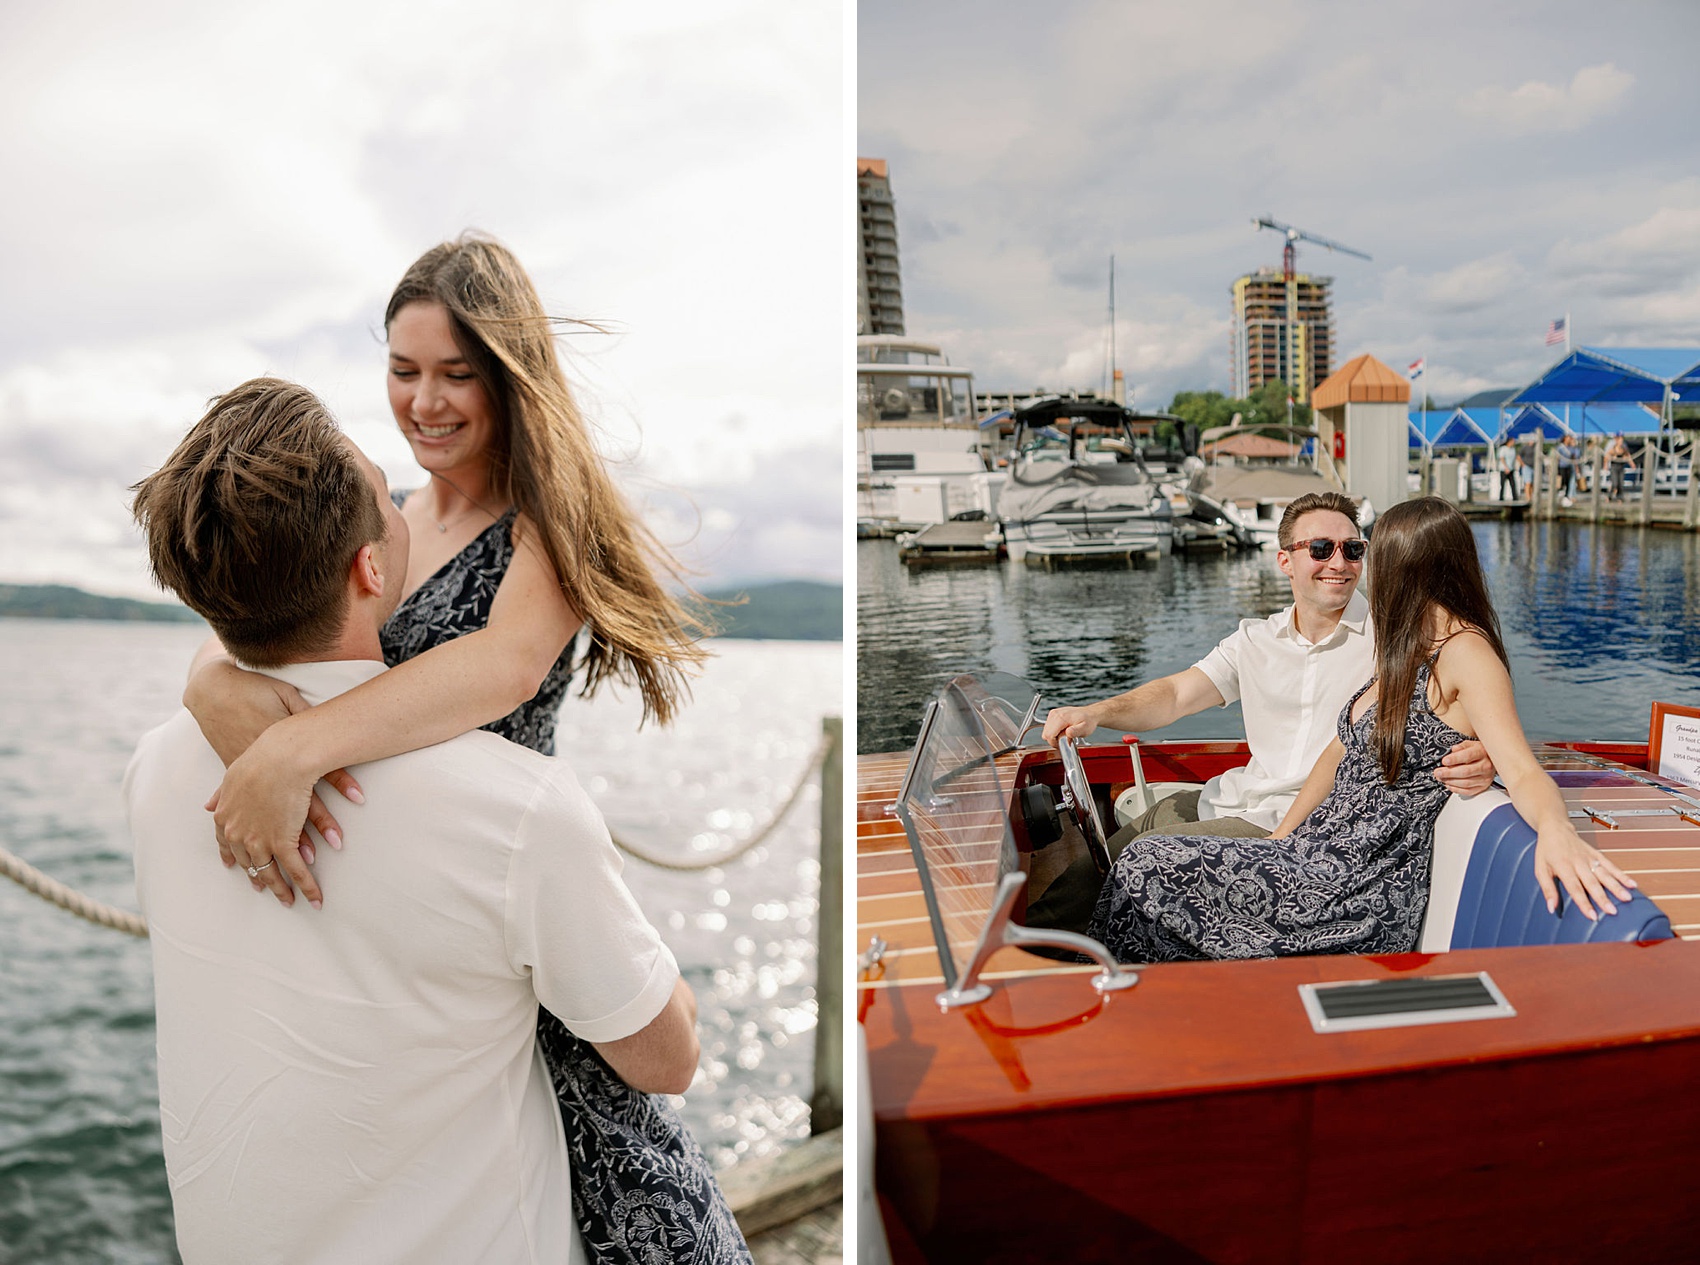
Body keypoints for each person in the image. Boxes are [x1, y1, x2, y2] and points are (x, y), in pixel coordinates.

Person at [177, 236, 747, 1262]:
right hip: (401, 933)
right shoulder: (383, 517)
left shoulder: (551, 520)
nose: (424, 401)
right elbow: (258, 624)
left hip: (509, 903)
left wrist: (290, 749)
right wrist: (207, 683)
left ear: (508, 373)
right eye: (403, 371)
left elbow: (505, 668)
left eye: (456, 373)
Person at [1088, 496, 1638, 964]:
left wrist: (1556, 831)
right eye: (1332, 550)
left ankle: (1110, 1005)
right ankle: (1111, 993)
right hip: (1312, 853)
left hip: (1359, 883)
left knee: (1146, 864)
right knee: (1133, 860)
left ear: (1409, 566)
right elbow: (1336, 751)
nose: (1354, 566)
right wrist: (1284, 840)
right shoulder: (1406, 646)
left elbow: (1521, 768)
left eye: (1364, 552)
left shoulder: (1464, 651)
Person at [1033, 491, 1493, 931]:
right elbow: (1175, 695)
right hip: (1233, 796)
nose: (1339, 563)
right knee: (1107, 851)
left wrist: (1483, 753)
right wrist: (1096, 711)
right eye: (1320, 548)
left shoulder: (1394, 640)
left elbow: (1464, 701)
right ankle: (1030, 939)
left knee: (1140, 856)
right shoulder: (1254, 639)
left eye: (1353, 549)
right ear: (1285, 561)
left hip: (1299, 826)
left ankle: (1039, 955)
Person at [1607, 432, 1632, 501]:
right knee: (1615, 483)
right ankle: (1610, 495)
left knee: (1620, 482)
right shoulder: (1612, 447)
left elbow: (1628, 455)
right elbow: (1607, 456)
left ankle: (1620, 497)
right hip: (1614, 467)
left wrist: (1632, 464)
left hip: (1621, 466)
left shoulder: (1624, 447)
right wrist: (1606, 465)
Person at [1556, 434, 1579, 506]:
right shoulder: (1560, 447)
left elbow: (1574, 457)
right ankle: (1560, 493)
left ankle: (1566, 496)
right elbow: (1557, 457)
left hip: (1568, 466)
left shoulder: (1571, 448)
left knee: (1568, 482)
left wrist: (1576, 468)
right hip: (1562, 466)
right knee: (1562, 480)